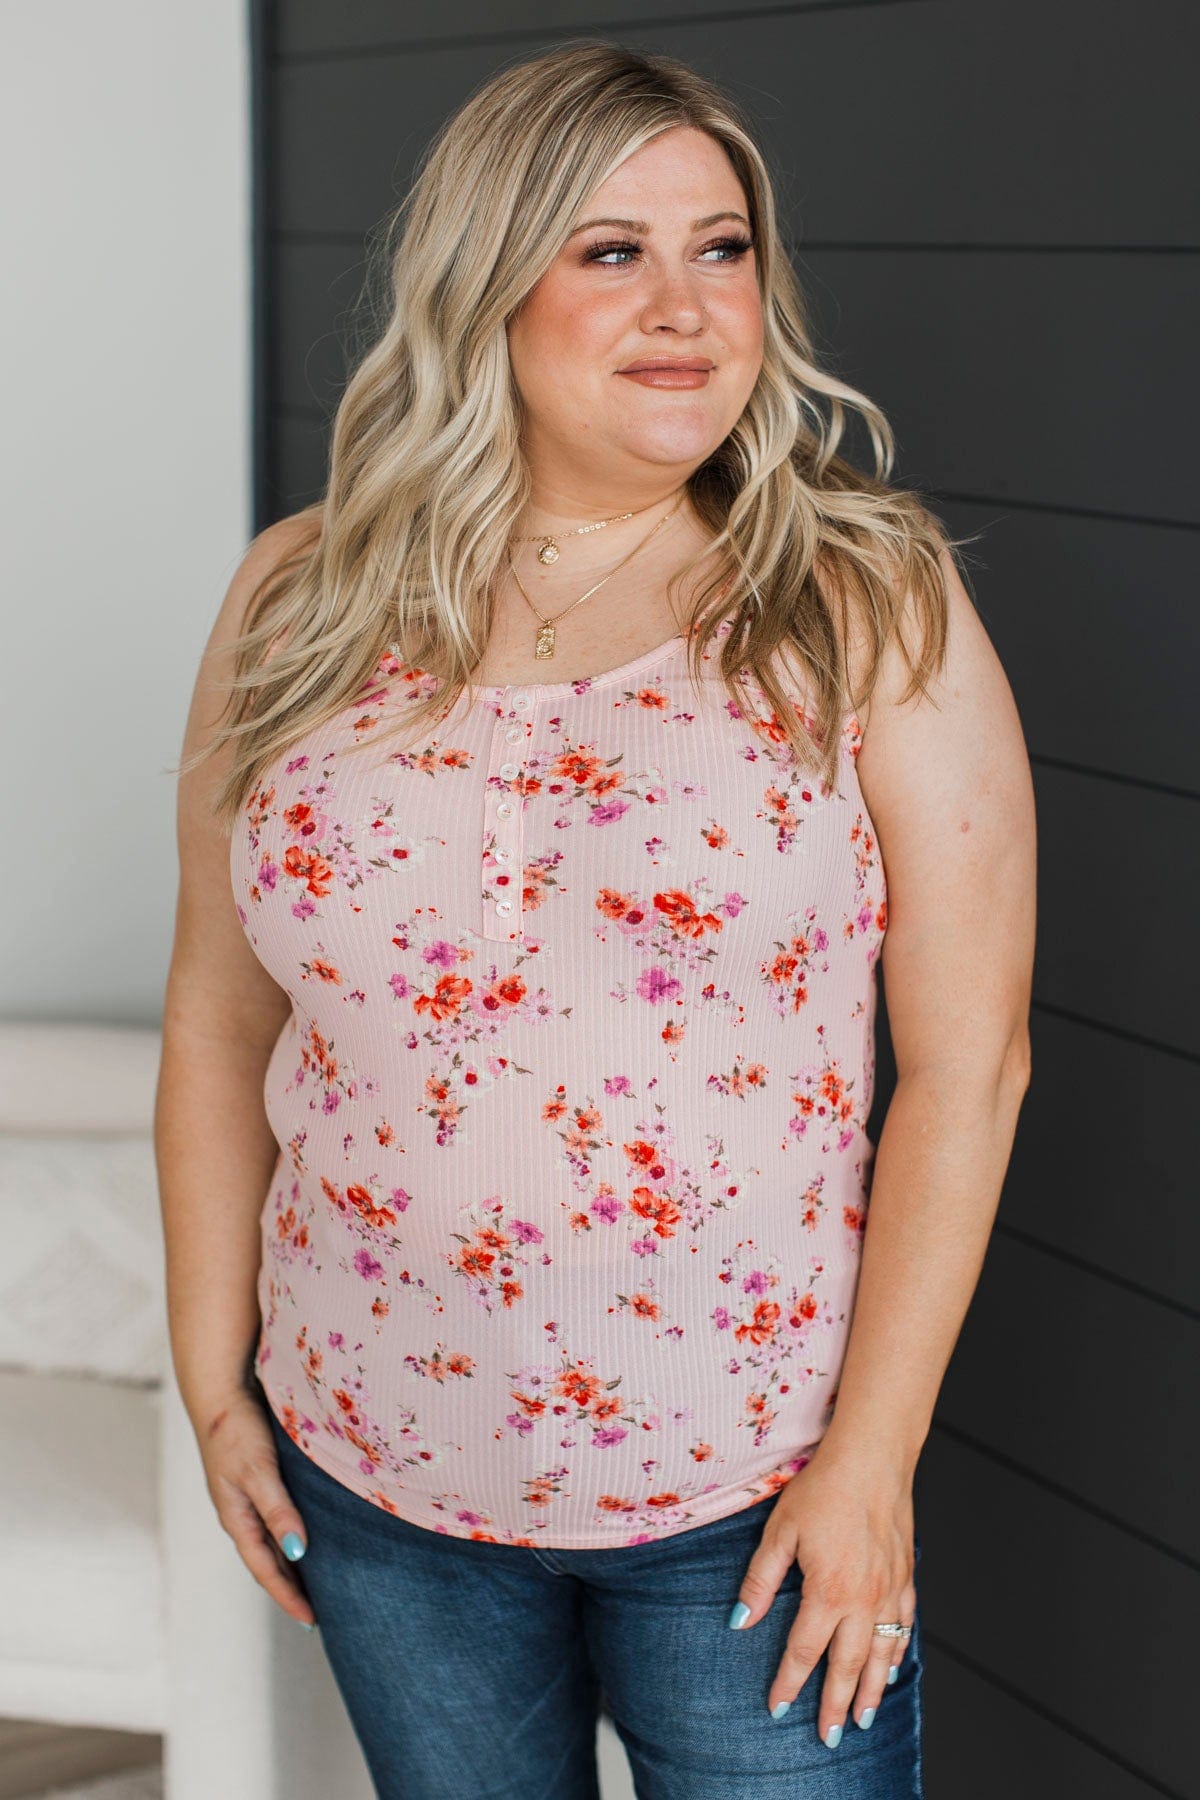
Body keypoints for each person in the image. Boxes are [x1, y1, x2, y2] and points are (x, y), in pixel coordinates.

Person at [157, 39, 1035, 1800]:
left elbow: (969, 1060)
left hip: (751, 1498)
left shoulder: (858, 599)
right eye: (611, 249)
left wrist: (872, 1462)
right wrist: (210, 1369)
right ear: (487, 281)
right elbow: (221, 1013)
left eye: (722, 247)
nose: (688, 306)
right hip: (379, 1465)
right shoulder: (300, 593)